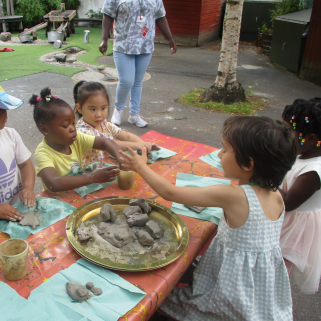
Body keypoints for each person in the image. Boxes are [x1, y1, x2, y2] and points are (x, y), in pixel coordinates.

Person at [120, 116, 296, 320]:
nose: (219, 154)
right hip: (259, 287)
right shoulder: (277, 196)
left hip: (231, 290)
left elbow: (170, 193)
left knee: (160, 299)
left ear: (248, 163)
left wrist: (140, 166)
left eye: (224, 149)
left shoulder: (234, 196)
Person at [99, 0, 177, 128]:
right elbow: (107, 15)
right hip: (123, 46)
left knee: (137, 81)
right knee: (126, 81)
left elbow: (160, 17)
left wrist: (170, 38)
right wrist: (104, 39)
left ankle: (134, 115)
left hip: (145, 47)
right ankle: (118, 111)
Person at [30, 87, 122, 193]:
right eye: (65, 126)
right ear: (44, 129)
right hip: (57, 202)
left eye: (73, 123)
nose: (73, 128)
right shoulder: (43, 153)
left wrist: (121, 159)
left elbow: (105, 142)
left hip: (78, 193)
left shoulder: (76, 138)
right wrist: (92, 177)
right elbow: (53, 183)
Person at [279, 98, 321, 295]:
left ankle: (269, 305)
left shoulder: (314, 170)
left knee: (277, 269)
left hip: (294, 228)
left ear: (311, 139)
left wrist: (262, 176)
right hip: (286, 219)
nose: (281, 136)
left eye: (287, 132)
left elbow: (288, 202)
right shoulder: (303, 151)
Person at [73, 81, 158, 167]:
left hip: (107, 168)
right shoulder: (82, 131)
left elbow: (127, 136)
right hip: (90, 175)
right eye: (93, 109)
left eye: (103, 108)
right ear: (79, 108)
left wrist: (143, 145)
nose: (99, 114)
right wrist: (135, 145)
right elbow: (110, 144)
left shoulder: (105, 124)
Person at [0, 100, 36, 222]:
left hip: (17, 207)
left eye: (5, 110)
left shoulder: (10, 135)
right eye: (0, 112)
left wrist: (28, 189)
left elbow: (25, 165)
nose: (5, 114)